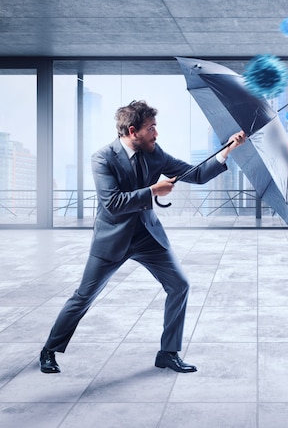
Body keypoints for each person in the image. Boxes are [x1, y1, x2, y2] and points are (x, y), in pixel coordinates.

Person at [39, 100, 245, 374]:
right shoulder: (102, 158)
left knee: (179, 285)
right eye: (152, 128)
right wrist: (152, 191)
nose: (156, 134)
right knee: (83, 296)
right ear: (133, 131)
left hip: (147, 237)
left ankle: (168, 353)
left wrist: (227, 151)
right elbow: (112, 203)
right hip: (112, 240)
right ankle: (49, 350)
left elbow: (194, 174)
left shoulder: (154, 153)